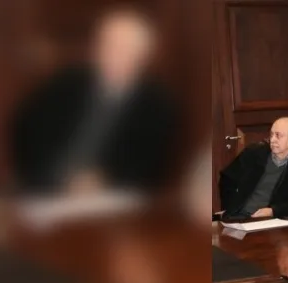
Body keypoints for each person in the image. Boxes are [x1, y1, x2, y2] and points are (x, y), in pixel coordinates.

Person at [10, 8, 175, 195]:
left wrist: (103, 181)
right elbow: (25, 130)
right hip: (44, 188)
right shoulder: (64, 83)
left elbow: (149, 166)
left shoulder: (157, 105)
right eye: (107, 45)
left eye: (124, 49)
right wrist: (48, 177)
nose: (112, 55)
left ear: (143, 56)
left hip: (111, 199)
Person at [217, 117, 288, 220]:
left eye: (278, 135)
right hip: (238, 216)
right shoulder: (253, 153)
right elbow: (227, 178)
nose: (273, 140)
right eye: (271, 134)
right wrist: (230, 206)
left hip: (275, 221)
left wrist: (273, 211)